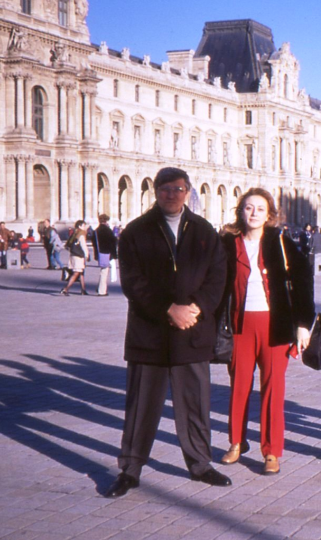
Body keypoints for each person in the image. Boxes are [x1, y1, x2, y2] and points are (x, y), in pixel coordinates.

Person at [104, 167, 231, 499]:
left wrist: (195, 308)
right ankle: (130, 469)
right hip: (151, 332)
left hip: (192, 331)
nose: (171, 195)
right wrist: (168, 309)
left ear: (187, 192)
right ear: (155, 192)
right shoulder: (136, 231)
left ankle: (200, 463)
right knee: (141, 406)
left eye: (177, 189)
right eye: (165, 189)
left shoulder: (204, 231)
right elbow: (133, 281)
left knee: (195, 404)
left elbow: (218, 277)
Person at [220, 188, 314, 475]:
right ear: (241, 211)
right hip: (240, 324)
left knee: (273, 388)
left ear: (269, 214)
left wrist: (302, 324)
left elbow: (303, 284)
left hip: (275, 324)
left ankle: (272, 450)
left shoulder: (282, 243)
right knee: (239, 385)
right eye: (249, 208)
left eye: (260, 209)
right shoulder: (227, 244)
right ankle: (236, 441)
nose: (254, 214)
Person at [60, 221, 89, 295]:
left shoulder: (74, 233)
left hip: (73, 255)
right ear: (79, 226)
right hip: (78, 256)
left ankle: (83, 289)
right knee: (76, 273)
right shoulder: (81, 234)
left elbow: (67, 245)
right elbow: (83, 246)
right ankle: (66, 289)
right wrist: (87, 255)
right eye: (83, 225)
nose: (84, 227)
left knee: (81, 272)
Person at [93, 214, 118, 296]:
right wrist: (114, 254)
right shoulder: (108, 230)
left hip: (100, 252)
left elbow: (94, 243)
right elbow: (113, 242)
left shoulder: (96, 230)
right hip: (107, 253)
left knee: (102, 271)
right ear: (106, 221)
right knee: (104, 272)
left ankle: (100, 287)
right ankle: (102, 291)